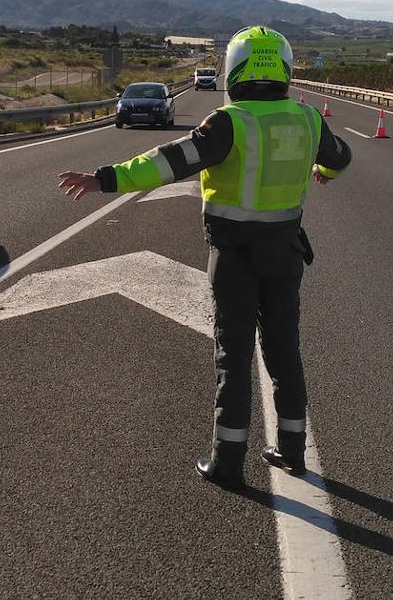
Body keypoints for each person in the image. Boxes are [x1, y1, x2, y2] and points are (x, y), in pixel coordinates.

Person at [58, 25, 352, 487]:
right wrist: (321, 170)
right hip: (285, 252)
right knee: (284, 350)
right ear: (284, 67)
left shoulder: (230, 122)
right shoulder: (308, 119)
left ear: (235, 68)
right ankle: (293, 451)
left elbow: (170, 160)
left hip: (233, 256)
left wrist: (104, 179)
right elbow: (341, 157)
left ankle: (228, 462)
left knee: (233, 356)